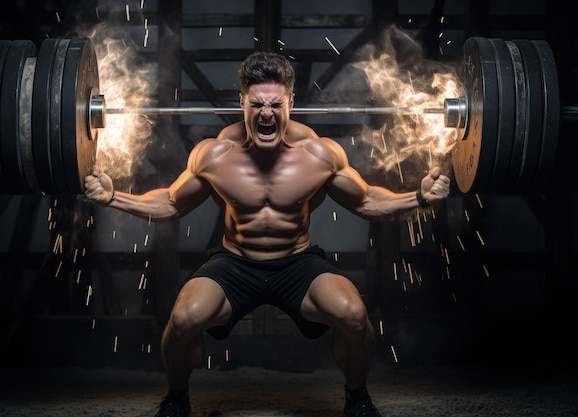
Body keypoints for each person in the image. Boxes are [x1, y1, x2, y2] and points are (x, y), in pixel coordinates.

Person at [84, 51, 450, 417]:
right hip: (234, 263)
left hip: (297, 263)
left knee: (354, 316)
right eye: (256, 104)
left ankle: (357, 396)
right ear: (241, 102)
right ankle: (177, 397)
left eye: (276, 104)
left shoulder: (320, 155)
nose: (266, 113)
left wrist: (418, 197)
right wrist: (112, 196)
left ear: (291, 102)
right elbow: (170, 204)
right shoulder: (214, 155)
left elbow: (368, 201)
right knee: (182, 321)